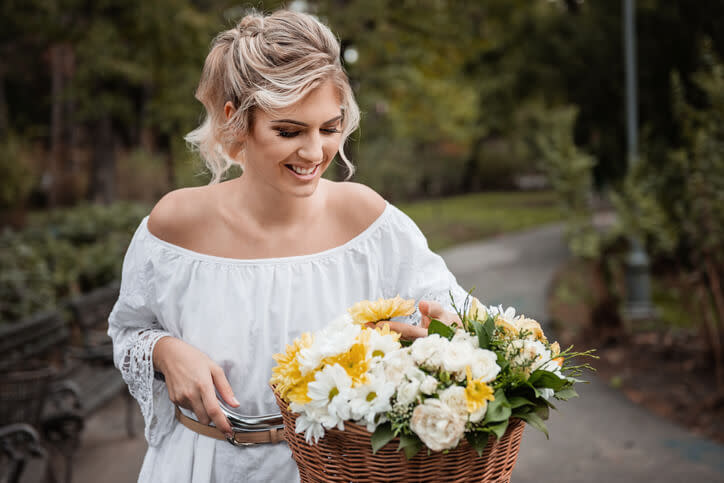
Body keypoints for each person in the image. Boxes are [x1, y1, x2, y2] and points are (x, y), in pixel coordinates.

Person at [108, 8, 467, 483]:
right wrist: (165, 351)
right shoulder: (176, 224)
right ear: (238, 122)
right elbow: (129, 331)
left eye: (330, 127)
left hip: (330, 470)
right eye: (289, 131)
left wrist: (436, 330)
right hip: (202, 466)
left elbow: (453, 313)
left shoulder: (367, 221)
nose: (315, 152)